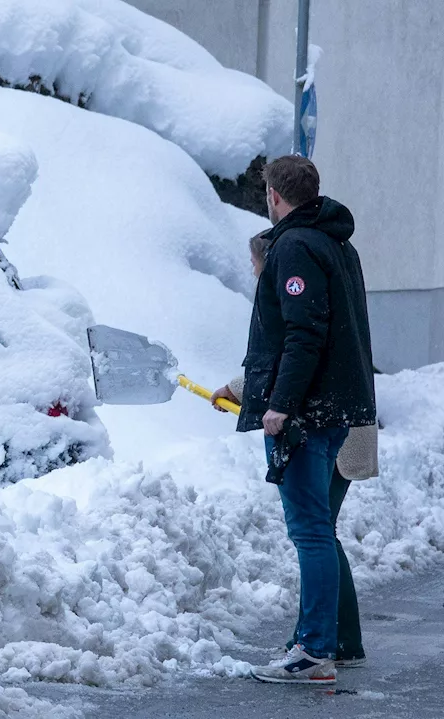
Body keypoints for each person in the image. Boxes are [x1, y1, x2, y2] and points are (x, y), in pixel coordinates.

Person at [216, 156, 377, 685]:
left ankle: (313, 651)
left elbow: (302, 335)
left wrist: (280, 406)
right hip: (334, 407)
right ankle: (328, 643)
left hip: (308, 414)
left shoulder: (294, 246)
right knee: (317, 530)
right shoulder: (334, 242)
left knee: (311, 531)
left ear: (273, 196)